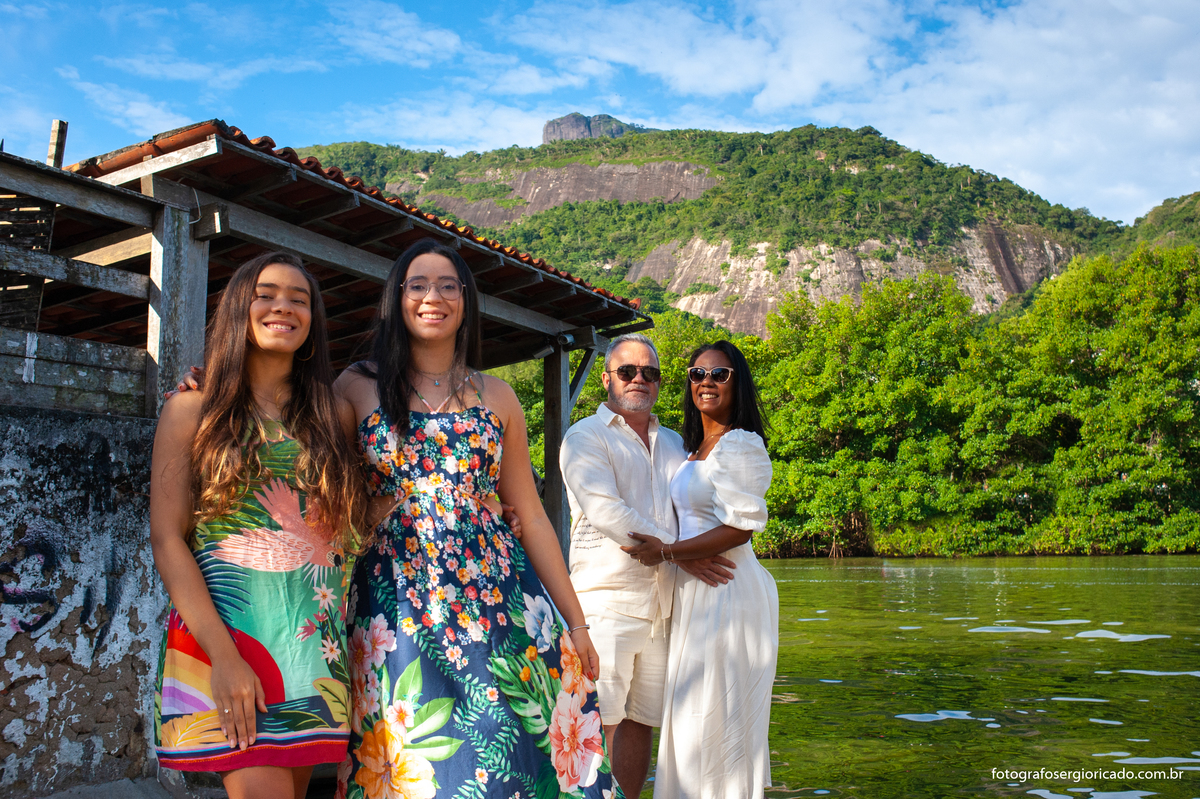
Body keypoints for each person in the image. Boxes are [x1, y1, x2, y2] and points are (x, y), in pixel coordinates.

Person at [334, 238, 616, 799]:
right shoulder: (356, 385)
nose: (432, 297)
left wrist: (577, 623)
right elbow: (309, 462)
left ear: (466, 301)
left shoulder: (499, 396)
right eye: (417, 285)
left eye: (447, 285)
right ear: (396, 299)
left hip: (493, 595)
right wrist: (209, 384)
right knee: (410, 745)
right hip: (397, 600)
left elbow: (532, 516)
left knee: (503, 739)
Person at [150, 252, 368, 799]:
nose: (283, 307)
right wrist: (224, 658)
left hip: (313, 655)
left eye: (300, 299)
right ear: (237, 310)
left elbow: (357, 522)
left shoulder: (333, 416)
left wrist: (488, 507)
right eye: (266, 294)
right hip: (231, 649)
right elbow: (167, 538)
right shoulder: (191, 410)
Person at [559, 333, 738, 798]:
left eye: (650, 373)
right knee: (601, 720)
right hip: (606, 604)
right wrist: (683, 553)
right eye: (627, 371)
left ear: (659, 384)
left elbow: (696, 507)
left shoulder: (677, 442)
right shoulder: (584, 437)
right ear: (606, 380)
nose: (639, 379)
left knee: (643, 720)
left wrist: (680, 554)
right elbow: (608, 513)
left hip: (666, 606)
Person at [622, 340, 778, 799]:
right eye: (698, 374)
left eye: (719, 375)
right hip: (695, 592)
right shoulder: (693, 449)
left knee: (719, 717)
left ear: (737, 384)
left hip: (729, 590)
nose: (706, 382)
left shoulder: (741, 445)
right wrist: (680, 556)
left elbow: (740, 528)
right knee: (692, 720)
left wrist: (670, 553)